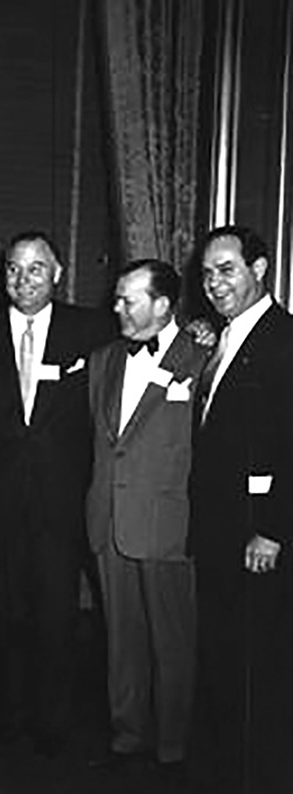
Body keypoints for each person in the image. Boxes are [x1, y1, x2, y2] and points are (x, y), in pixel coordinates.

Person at [0, 231, 115, 757]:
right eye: (12, 269)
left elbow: (153, 346)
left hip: (64, 499)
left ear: (58, 273)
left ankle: (54, 722)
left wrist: (201, 335)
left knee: (57, 616)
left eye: (34, 269)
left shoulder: (93, 330)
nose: (22, 280)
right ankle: (12, 716)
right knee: (9, 615)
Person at [85, 260, 204, 775]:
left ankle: (174, 747)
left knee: (173, 643)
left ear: (162, 304)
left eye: (127, 300)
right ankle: (126, 735)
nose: (116, 308)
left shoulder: (204, 354)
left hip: (167, 525)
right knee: (121, 641)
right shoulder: (103, 360)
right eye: (116, 298)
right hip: (110, 521)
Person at [188, 225, 293, 793]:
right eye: (206, 273)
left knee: (259, 670)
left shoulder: (284, 339)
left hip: (258, 538)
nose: (214, 283)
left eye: (227, 269)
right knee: (223, 661)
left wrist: (272, 531)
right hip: (218, 532)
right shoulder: (225, 338)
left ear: (260, 268)